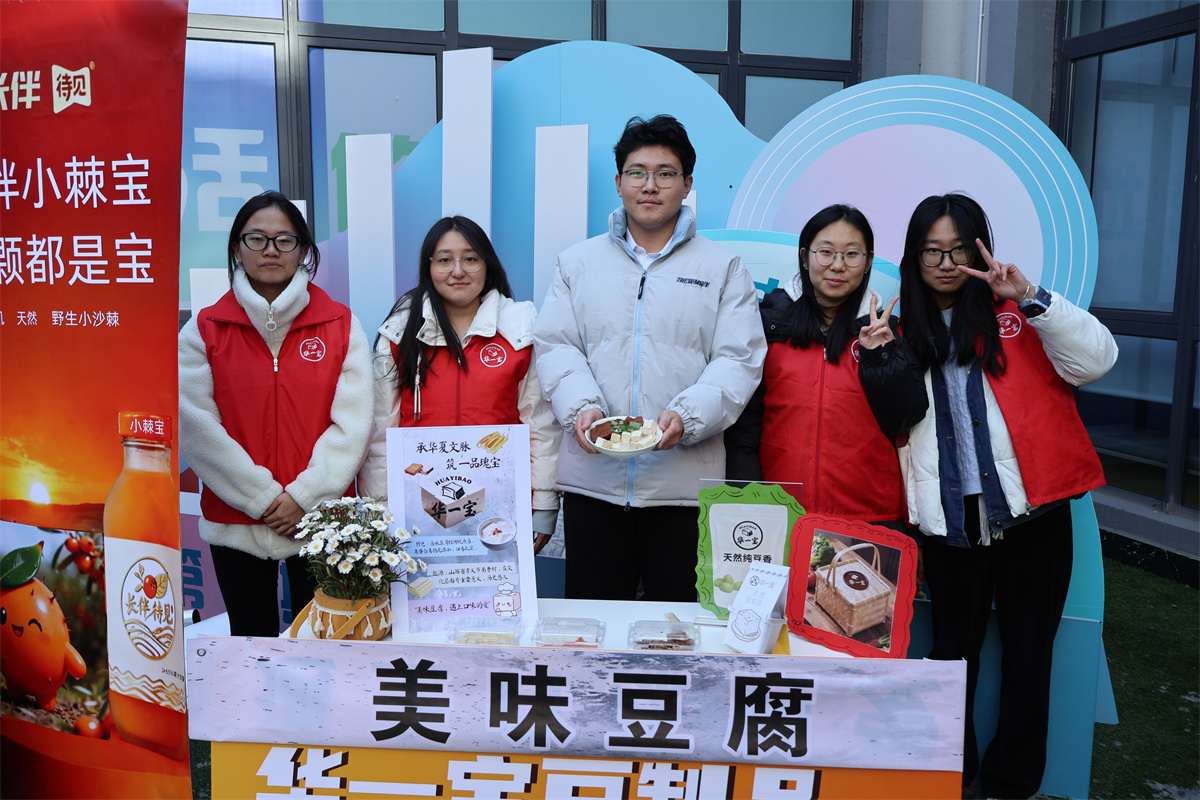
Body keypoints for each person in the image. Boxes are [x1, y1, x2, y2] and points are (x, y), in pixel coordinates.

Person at [859, 193, 1117, 799]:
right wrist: (880, 359)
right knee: (953, 655)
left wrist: (1033, 298)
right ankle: (951, 775)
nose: (947, 264)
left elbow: (1097, 361)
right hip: (949, 523)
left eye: (959, 250)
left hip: (1034, 517)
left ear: (982, 251)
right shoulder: (898, 330)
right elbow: (896, 423)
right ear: (914, 257)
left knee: (1030, 656)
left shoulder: (1020, 314)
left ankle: (1011, 783)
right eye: (932, 252)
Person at [533, 114, 766, 601]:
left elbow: (738, 359)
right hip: (593, 485)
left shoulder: (722, 267)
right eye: (637, 172)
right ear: (619, 182)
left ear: (687, 184)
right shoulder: (577, 263)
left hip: (683, 490)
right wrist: (582, 410)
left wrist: (687, 416)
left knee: (676, 630)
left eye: (666, 173)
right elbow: (556, 345)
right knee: (594, 626)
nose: (650, 185)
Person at [179, 191, 373, 637]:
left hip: (320, 524)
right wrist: (263, 499)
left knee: (324, 649)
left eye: (285, 240)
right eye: (257, 238)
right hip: (238, 524)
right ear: (237, 248)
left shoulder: (341, 325)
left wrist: (304, 497)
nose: (271, 250)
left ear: (303, 251)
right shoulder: (204, 330)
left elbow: (354, 423)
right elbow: (197, 427)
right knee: (250, 649)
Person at [358, 216, 561, 552]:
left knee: (492, 585)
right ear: (428, 267)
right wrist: (379, 509)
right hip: (417, 504)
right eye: (444, 260)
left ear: (487, 265)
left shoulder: (520, 330)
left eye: (470, 259)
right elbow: (380, 431)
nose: (457, 271)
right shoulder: (400, 332)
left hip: (501, 502)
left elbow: (539, 424)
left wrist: (544, 502)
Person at [725, 203, 925, 524]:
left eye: (851, 254)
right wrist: (749, 504)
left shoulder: (886, 332)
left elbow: (905, 420)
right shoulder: (767, 326)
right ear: (805, 257)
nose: (838, 265)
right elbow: (742, 431)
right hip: (780, 516)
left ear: (868, 262)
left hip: (868, 518)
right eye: (826, 252)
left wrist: (881, 358)